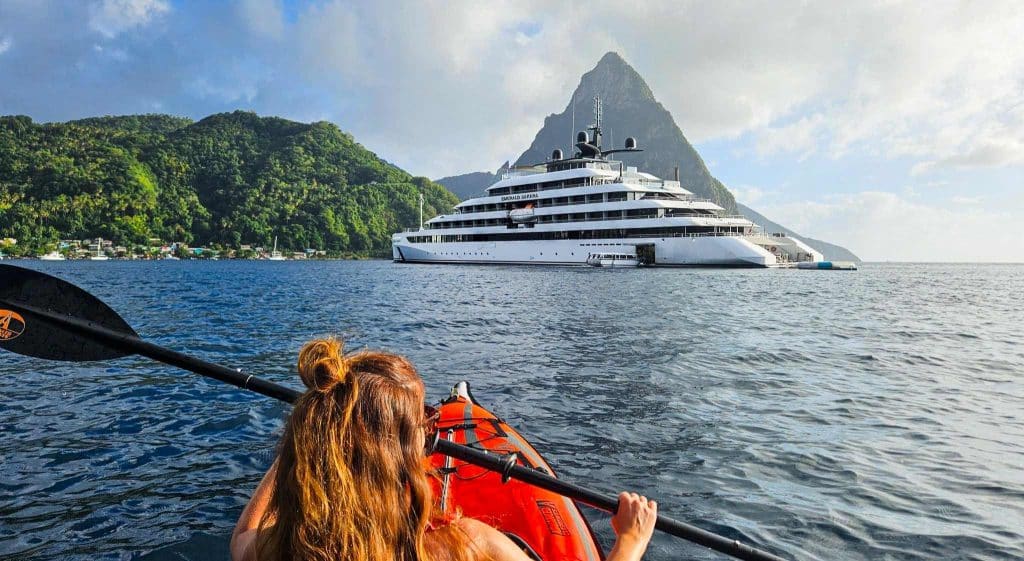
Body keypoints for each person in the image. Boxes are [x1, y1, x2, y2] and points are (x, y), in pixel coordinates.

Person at [230, 338, 657, 561]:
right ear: (398, 451)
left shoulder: (284, 548)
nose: (432, 427)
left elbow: (241, 539)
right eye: (425, 419)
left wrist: (309, 439)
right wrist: (631, 541)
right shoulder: (464, 544)